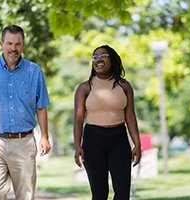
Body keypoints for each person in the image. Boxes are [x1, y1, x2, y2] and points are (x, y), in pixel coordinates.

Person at [0, 25, 51, 200]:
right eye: (9, 43)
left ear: (23, 45)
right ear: (1, 44)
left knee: (25, 195)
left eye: (17, 44)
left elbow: (41, 106)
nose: (13, 48)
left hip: (24, 141)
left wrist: (44, 136)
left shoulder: (34, 71)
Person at [73, 45, 142, 200]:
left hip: (119, 139)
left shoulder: (124, 86)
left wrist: (137, 144)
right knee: (99, 194)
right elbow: (78, 119)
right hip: (93, 141)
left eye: (104, 56)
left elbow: (130, 116)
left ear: (112, 60)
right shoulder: (84, 88)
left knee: (123, 193)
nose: (99, 60)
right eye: (95, 57)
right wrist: (77, 146)